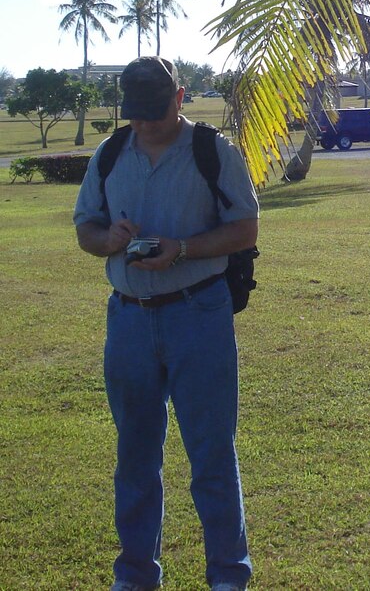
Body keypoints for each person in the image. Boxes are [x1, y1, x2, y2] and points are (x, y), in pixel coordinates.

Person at [74, 56, 259, 591]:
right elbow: (85, 227)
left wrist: (182, 250)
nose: (146, 122)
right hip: (128, 321)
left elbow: (245, 228)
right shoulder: (110, 154)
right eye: (136, 113)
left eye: (156, 110)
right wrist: (106, 240)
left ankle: (228, 578)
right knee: (133, 457)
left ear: (180, 96)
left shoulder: (212, 151)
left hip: (198, 314)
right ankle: (134, 578)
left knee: (211, 456)